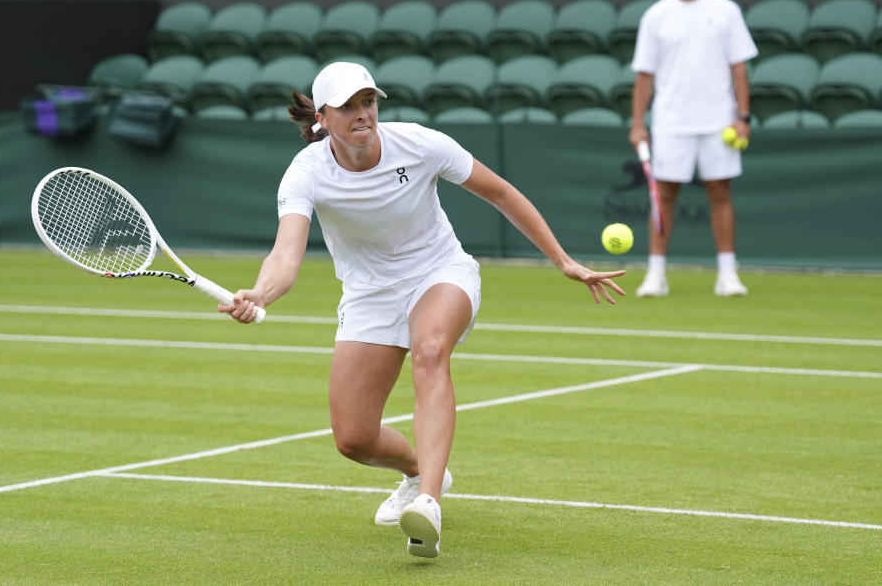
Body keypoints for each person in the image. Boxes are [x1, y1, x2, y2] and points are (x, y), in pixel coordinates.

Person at [219, 61, 626, 558]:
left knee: (430, 351)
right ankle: (417, 472)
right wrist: (260, 293)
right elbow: (286, 256)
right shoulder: (306, 174)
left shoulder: (421, 143)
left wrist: (563, 261)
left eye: (368, 101)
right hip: (369, 295)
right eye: (348, 106)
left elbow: (500, 192)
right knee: (353, 437)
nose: (363, 114)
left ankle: (429, 502)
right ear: (323, 117)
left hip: (440, 272)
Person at [628, 0, 758, 297]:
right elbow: (645, 75)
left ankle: (728, 274)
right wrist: (638, 123)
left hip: (720, 121)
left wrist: (743, 116)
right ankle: (656, 275)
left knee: (720, 191)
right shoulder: (655, 16)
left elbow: (739, 67)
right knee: (664, 195)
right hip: (671, 121)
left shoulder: (727, 11)